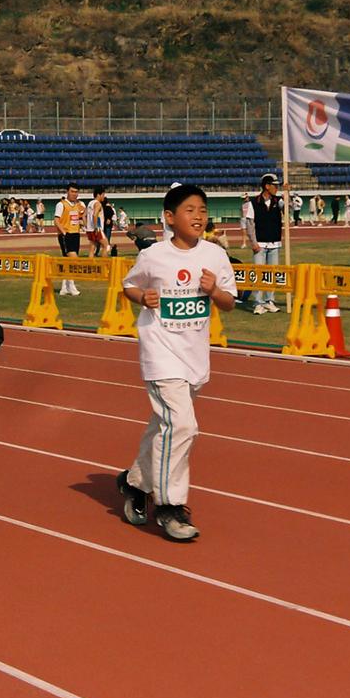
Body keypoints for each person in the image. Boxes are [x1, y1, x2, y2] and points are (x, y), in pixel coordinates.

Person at [116, 184, 236, 541]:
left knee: (164, 426)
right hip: (160, 353)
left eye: (202, 210)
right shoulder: (154, 256)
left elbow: (230, 302)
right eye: (189, 210)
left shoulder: (215, 255)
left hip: (195, 356)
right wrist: (143, 296)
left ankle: (135, 483)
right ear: (169, 218)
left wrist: (214, 291)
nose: (198, 216)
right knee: (183, 426)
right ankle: (169, 506)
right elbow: (129, 286)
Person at [247, 173, 283, 315]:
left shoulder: (278, 201)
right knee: (259, 273)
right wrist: (253, 243)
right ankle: (258, 302)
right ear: (267, 186)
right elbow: (250, 224)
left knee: (272, 274)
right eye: (274, 185)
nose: (276, 188)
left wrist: (288, 194)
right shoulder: (253, 202)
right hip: (260, 244)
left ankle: (269, 301)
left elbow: (289, 207)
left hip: (274, 243)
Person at [53, 183, 85, 296]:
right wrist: (64, 232)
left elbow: (81, 220)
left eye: (76, 192)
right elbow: (56, 220)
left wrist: (83, 218)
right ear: (67, 192)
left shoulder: (79, 205)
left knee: (67, 261)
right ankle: (71, 286)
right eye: (72, 191)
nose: (74, 194)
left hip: (76, 234)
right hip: (66, 235)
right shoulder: (61, 205)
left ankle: (64, 287)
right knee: (73, 260)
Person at [85, 187, 110, 257]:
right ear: (99, 195)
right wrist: (96, 227)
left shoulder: (90, 203)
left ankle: (91, 264)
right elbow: (95, 214)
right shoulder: (98, 204)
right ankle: (104, 264)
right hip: (97, 228)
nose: (104, 197)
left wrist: (86, 225)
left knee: (92, 248)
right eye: (103, 195)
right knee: (106, 246)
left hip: (90, 229)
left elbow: (84, 215)